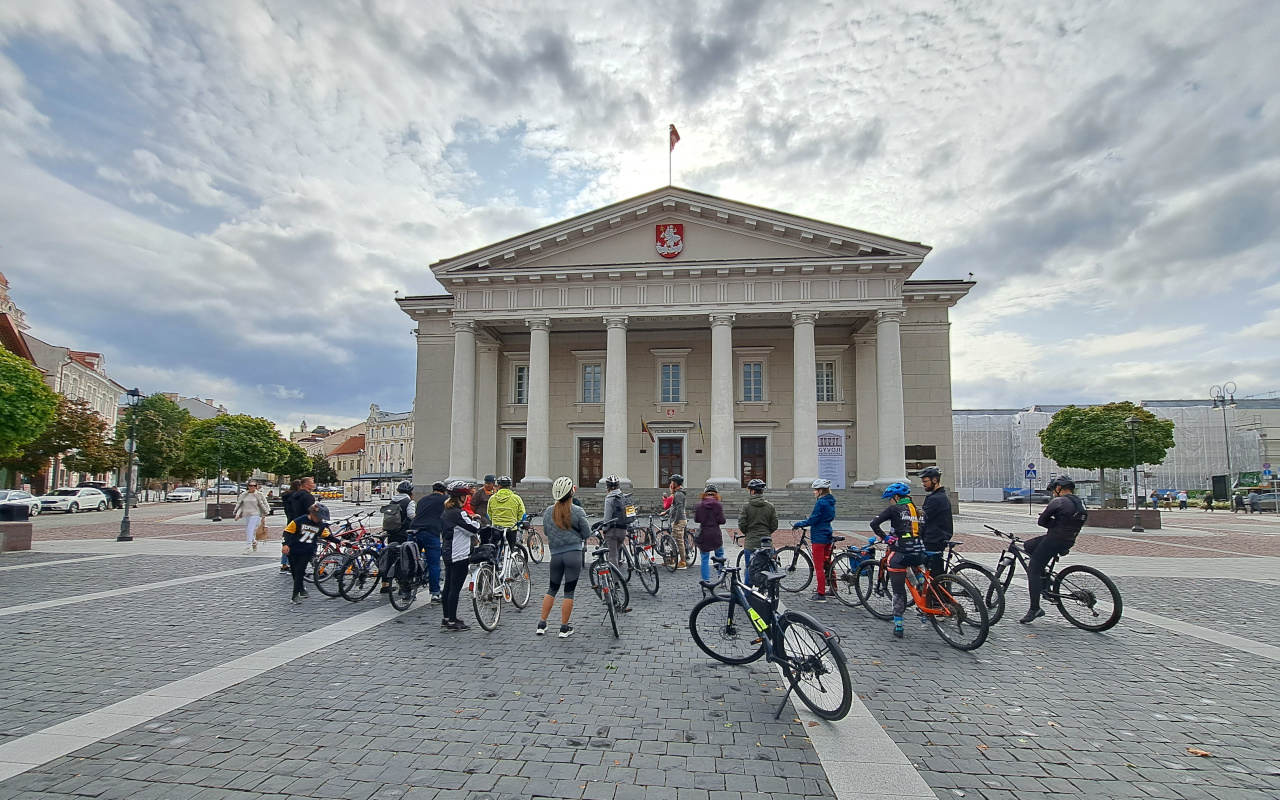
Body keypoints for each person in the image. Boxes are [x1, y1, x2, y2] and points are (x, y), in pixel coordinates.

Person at [1020, 475, 1088, 624]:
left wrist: (1054, 523)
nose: (1053, 493)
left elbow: (1042, 521)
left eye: (1053, 490)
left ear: (1058, 488)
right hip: (1068, 541)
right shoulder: (1079, 502)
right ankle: (1046, 579)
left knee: (1033, 570)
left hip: (1053, 540)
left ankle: (1035, 608)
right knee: (1028, 545)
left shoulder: (1058, 501)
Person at [537, 477, 594, 638]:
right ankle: (563, 627)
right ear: (571, 492)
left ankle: (542, 623)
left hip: (555, 556)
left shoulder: (549, 511)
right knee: (568, 592)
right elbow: (587, 533)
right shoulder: (577, 510)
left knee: (552, 588)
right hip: (573, 555)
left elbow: (547, 533)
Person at [870, 482, 925, 637]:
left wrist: (886, 538)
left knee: (898, 591)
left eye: (890, 499)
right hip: (919, 551)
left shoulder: (894, 509)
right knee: (917, 569)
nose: (890, 501)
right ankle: (923, 598)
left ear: (895, 497)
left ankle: (898, 625)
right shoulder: (920, 511)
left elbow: (874, 523)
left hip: (900, 553)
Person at [440, 481, 481, 631]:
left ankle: (447, 617)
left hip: (447, 551)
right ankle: (452, 621)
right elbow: (472, 529)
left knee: (448, 586)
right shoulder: (459, 513)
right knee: (455, 588)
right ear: (462, 497)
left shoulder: (447, 511)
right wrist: (476, 520)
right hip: (459, 553)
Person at [794, 479, 837, 602]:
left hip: (819, 536)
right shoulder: (831, 501)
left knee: (818, 566)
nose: (814, 492)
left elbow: (814, 520)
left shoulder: (821, 502)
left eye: (815, 490)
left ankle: (821, 593)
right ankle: (833, 589)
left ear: (820, 491)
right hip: (828, 532)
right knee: (828, 563)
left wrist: (800, 523)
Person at [282, 503, 331, 604]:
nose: (320, 520)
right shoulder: (299, 521)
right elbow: (287, 532)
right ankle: (301, 589)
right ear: (312, 514)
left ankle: (295, 595)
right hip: (293, 549)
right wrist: (285, 544)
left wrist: (339, 542)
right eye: (319, 518)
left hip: (308, 551)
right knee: (295, 572)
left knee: (300, 571)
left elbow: (328, 536)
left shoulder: (321, 525)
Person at [408, 481, 447, 603]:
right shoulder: (445, 500)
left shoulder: (423, 500)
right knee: (434, 563)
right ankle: (435, 593)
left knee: (410, 561)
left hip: (413, 530)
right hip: (430, 532)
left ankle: (406, 592)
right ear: (444, 491)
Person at [737, 479, 777, 586]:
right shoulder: (770, 506)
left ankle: (747, 596)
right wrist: (767, 532)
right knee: (768, 566)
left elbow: (742, 523)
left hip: (751, 542)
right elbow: (774, 524)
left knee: (749, 569)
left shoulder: (747, 506)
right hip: (767, 542)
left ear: (753, 491)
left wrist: (748, 532)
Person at [380, 480, 417, 595]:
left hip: (391, 532)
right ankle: (403, 584)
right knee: (404, 558)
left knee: (390, 555)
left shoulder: (392, 500)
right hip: (403, 533)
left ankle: (385, 583)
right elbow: (411, 516)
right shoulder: (409, 502)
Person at [919, 467, 952, 577]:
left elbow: (923, 516)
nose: (923, 484)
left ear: (934, 480)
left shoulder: (936, 498)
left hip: (933, 538)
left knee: (935, 573)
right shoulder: (939, 496)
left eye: (925, 481)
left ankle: (938, 593)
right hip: (937, 537)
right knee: (935, 571)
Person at [694, 484, 726, 582]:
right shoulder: (718, 505)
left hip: (704, 533)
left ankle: (706, 580)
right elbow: (722, 521)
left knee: (704, 558)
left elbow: (696, 520)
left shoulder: (699, 505)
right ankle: (721, 578)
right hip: (715, 533)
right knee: (720, 555)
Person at [486, 476, 526, 549]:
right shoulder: (516, 498)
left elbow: (489, 514)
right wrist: (518, 523)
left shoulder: (492, 498)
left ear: (498, 486)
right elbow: (522, 515)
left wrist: (495, 521)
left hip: (496, 527)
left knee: (494, 548)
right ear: (509, 486)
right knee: (511, 548)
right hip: (511, 527)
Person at [233, 480, 271, 555]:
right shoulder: (244, 495)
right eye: (250, 485)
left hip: (255, 514)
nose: (252, 487)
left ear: (256, 486)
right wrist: (237, 514)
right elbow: (241, 505)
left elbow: (263, 506)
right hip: (246, 514)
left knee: (250, 529)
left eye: (254, 486)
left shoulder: (259, 495)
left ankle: (248, 547)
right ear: (248, 486)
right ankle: (254, 542)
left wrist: (263, 516)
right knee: (248, 529)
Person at [600, 475, 629, 569]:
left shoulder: (609, 499)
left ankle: (615, 580)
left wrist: (604, 529)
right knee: (616, 553)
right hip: (623, 531)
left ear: (607, 487)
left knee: (612, 555)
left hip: (612, 531)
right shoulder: (623, 497)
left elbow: (607, 518)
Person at [278, 479, 303, 572]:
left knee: (288, 542)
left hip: (289, 520)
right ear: (299, 487)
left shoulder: (286, 496)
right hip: (296, 521)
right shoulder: (295, 497)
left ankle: (284, 564)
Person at [664, 475, 689, 569]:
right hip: (679, 519)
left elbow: (679, 508)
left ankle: (682, 562)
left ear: (674, 483)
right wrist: (666, 512)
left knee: (678, 541)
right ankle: (673, 559)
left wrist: (676, 521)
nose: (670, 484)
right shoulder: (679, 493)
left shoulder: (678, 494)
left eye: (671, 482)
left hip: (679, 520)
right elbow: (674, 507)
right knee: (675, 540)